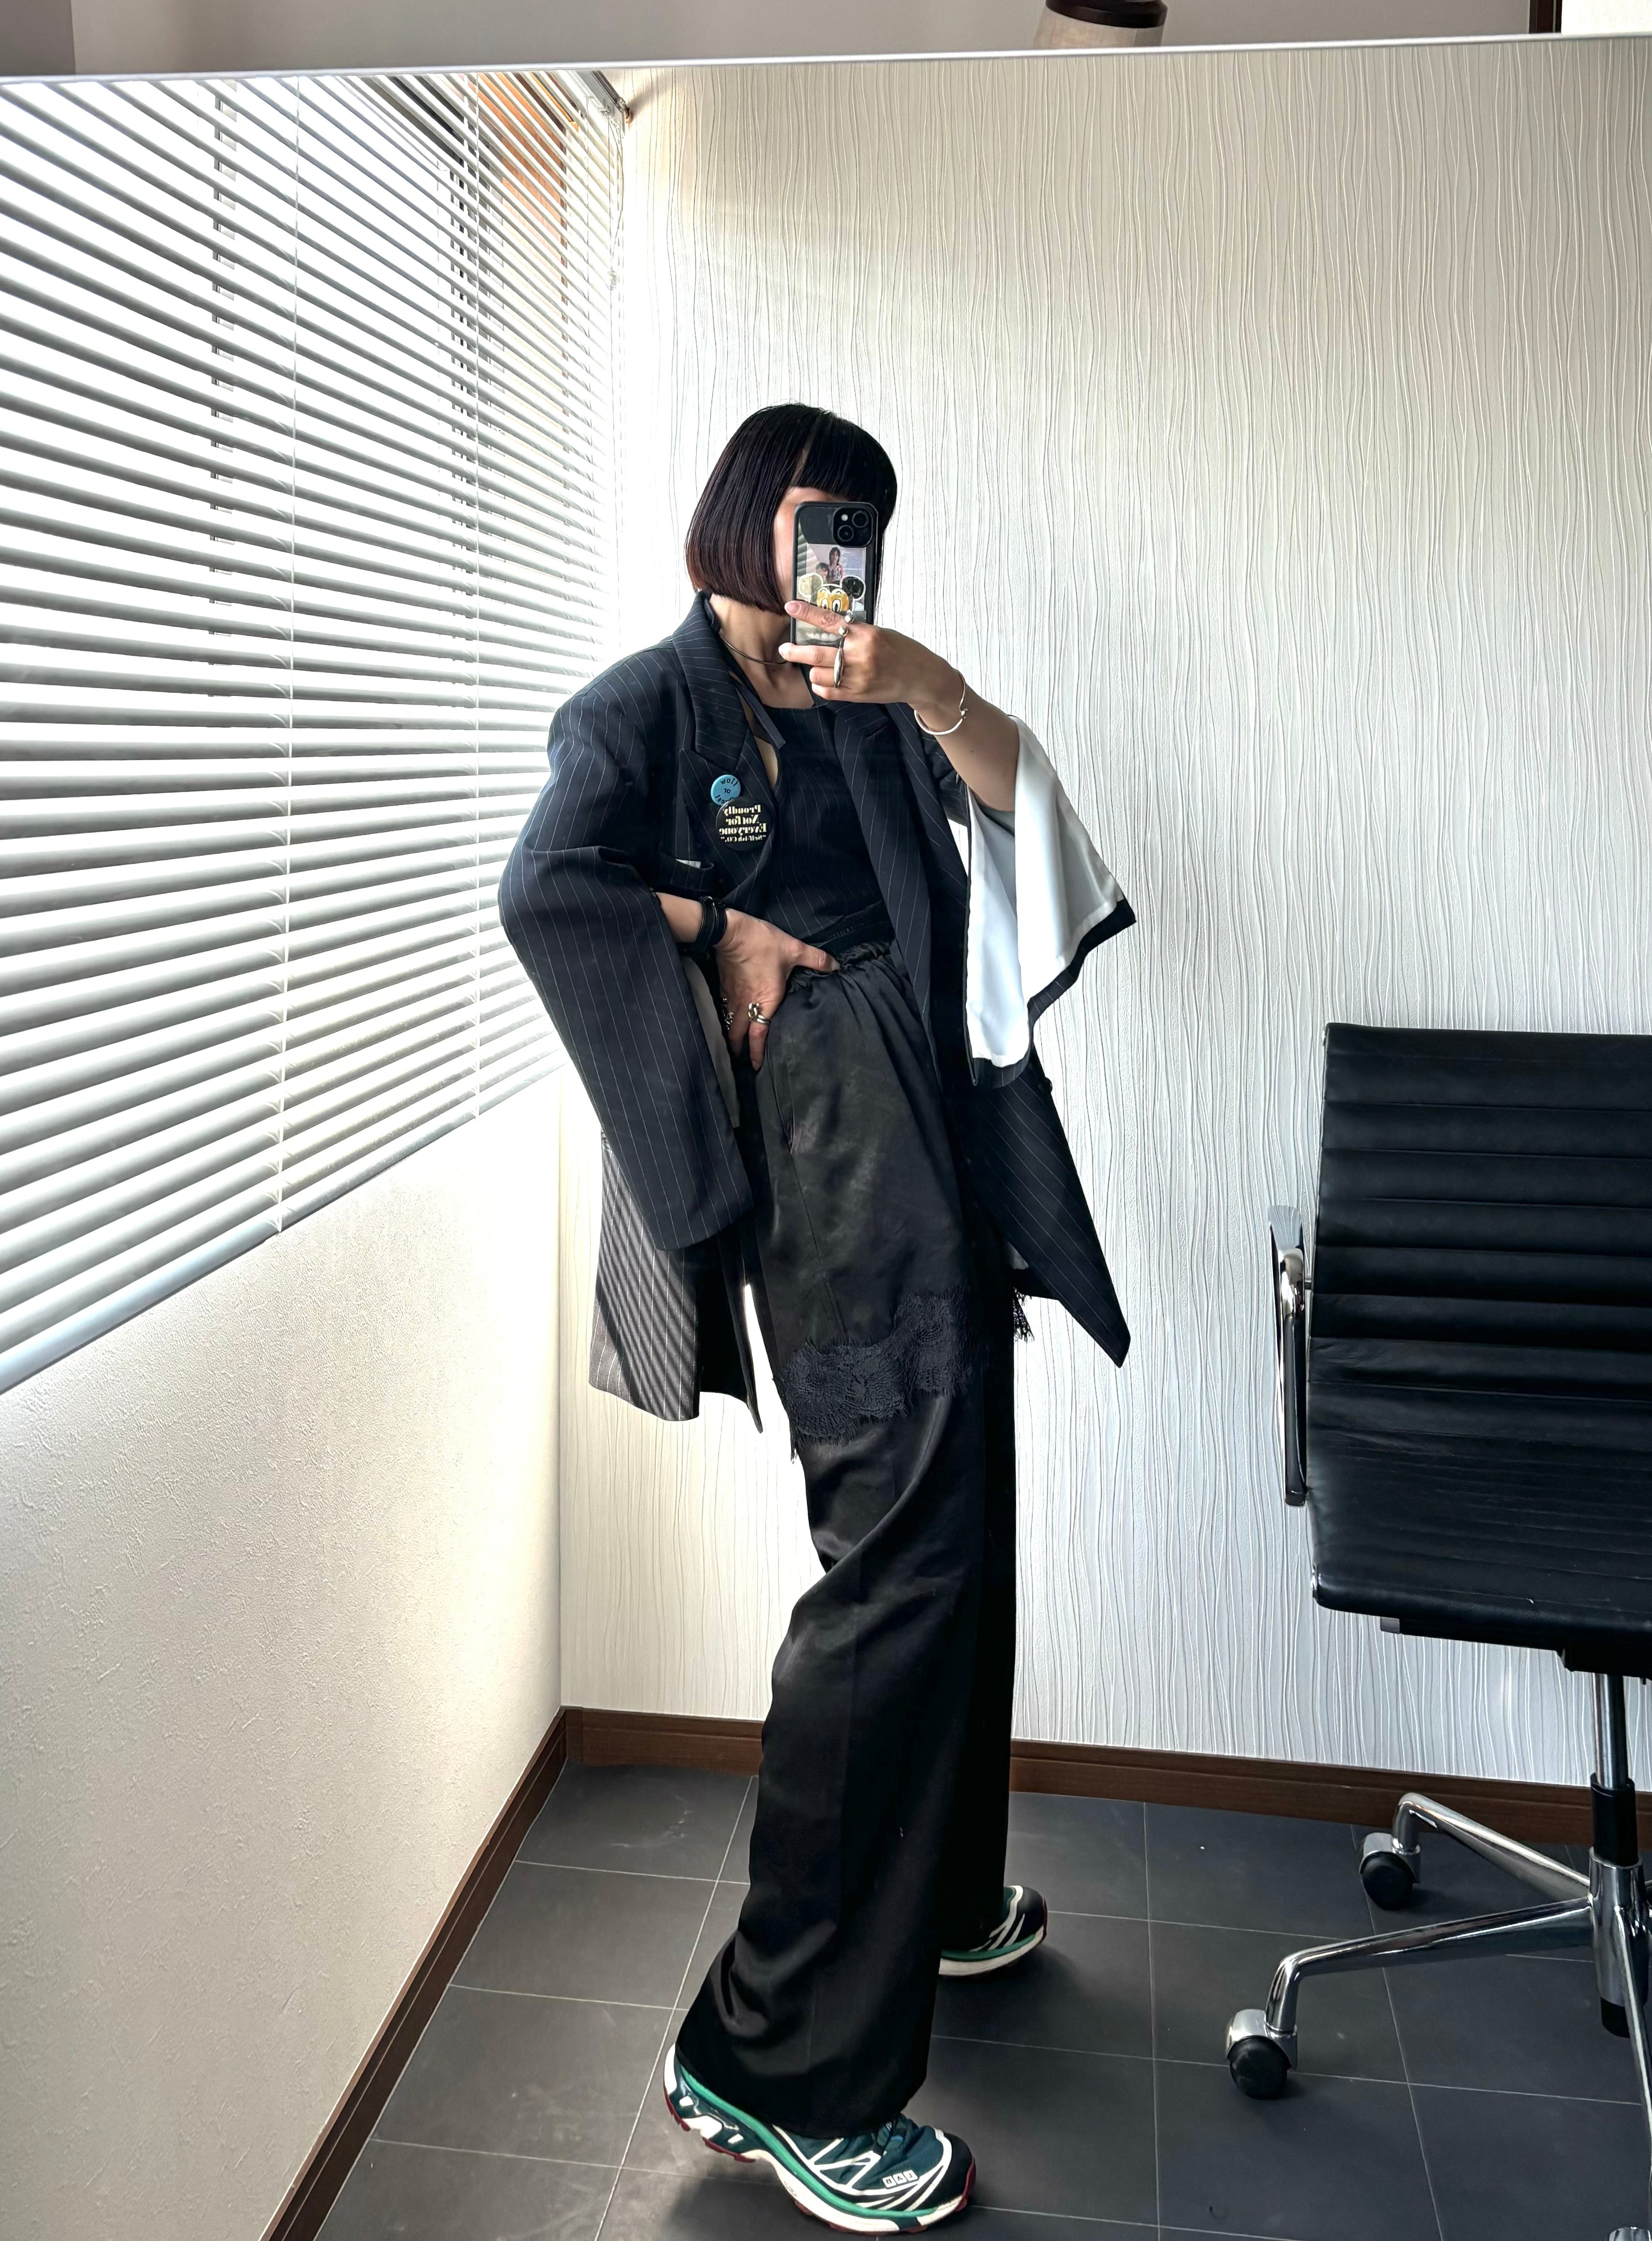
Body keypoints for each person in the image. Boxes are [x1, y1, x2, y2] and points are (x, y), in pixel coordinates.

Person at [499, 403, 1133, 2231]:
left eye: (859, 520)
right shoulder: (643, 709)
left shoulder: (866, 697)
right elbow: (547, 889)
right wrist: (718, 931)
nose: (831, 546)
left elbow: (1028, 832)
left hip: (929, 1128)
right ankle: (770, 2062)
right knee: (896, 1568)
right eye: (806, 513)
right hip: (829, 1158)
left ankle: (932, 1895)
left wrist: (925, 684)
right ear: (738, 519)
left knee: (962, 1527)